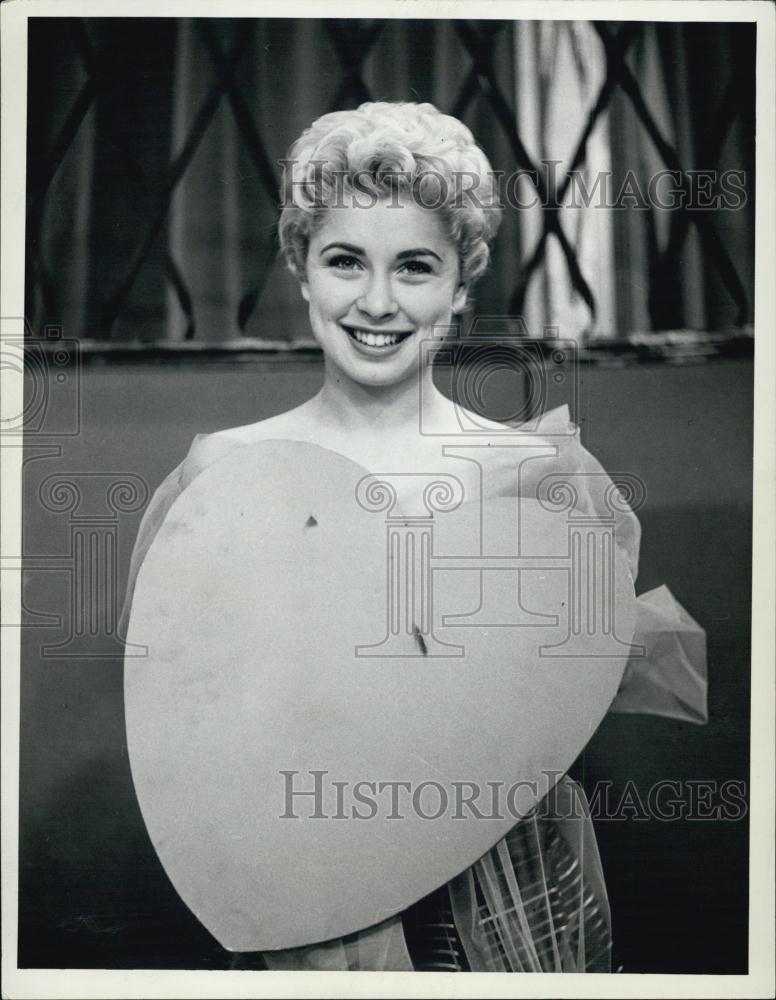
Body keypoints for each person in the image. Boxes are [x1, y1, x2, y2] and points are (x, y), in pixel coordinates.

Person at [120, 102, 707, 973]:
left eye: (417, 267)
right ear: (300, 268)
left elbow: (554, 706)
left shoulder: (530, 476)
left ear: (462, 286)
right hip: (304, 888)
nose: (379, 302)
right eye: (346, 260)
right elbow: (193, 713)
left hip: (508, 889)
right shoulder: (224, 474)